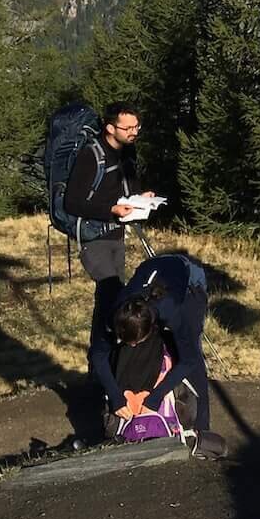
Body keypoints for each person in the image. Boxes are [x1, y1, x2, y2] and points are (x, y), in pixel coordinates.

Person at [89, 252, 225, 459]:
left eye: (136, 341)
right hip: (148, 273)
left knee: (191, 356)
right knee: (122, 353)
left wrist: (156, 396)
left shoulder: (170, 311)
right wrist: (116, 398)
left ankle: (200, 431)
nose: (132, 345)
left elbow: (189, 360)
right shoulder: (114, 315)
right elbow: (98, 356)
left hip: (188, 281)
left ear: (152, 327)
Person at [62, 102, 154, 344]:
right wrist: (110, 209)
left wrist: (140, 198)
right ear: (110, 128)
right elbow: (71, 203)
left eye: (137, 126)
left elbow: (127, 188)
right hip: (93, 237)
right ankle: (102, 362)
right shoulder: (90, 155)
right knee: (111, 296)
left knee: (113, 299)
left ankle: (107, 360)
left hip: (116, 235)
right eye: (128, 128)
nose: (134, 132)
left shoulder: (127, 152)